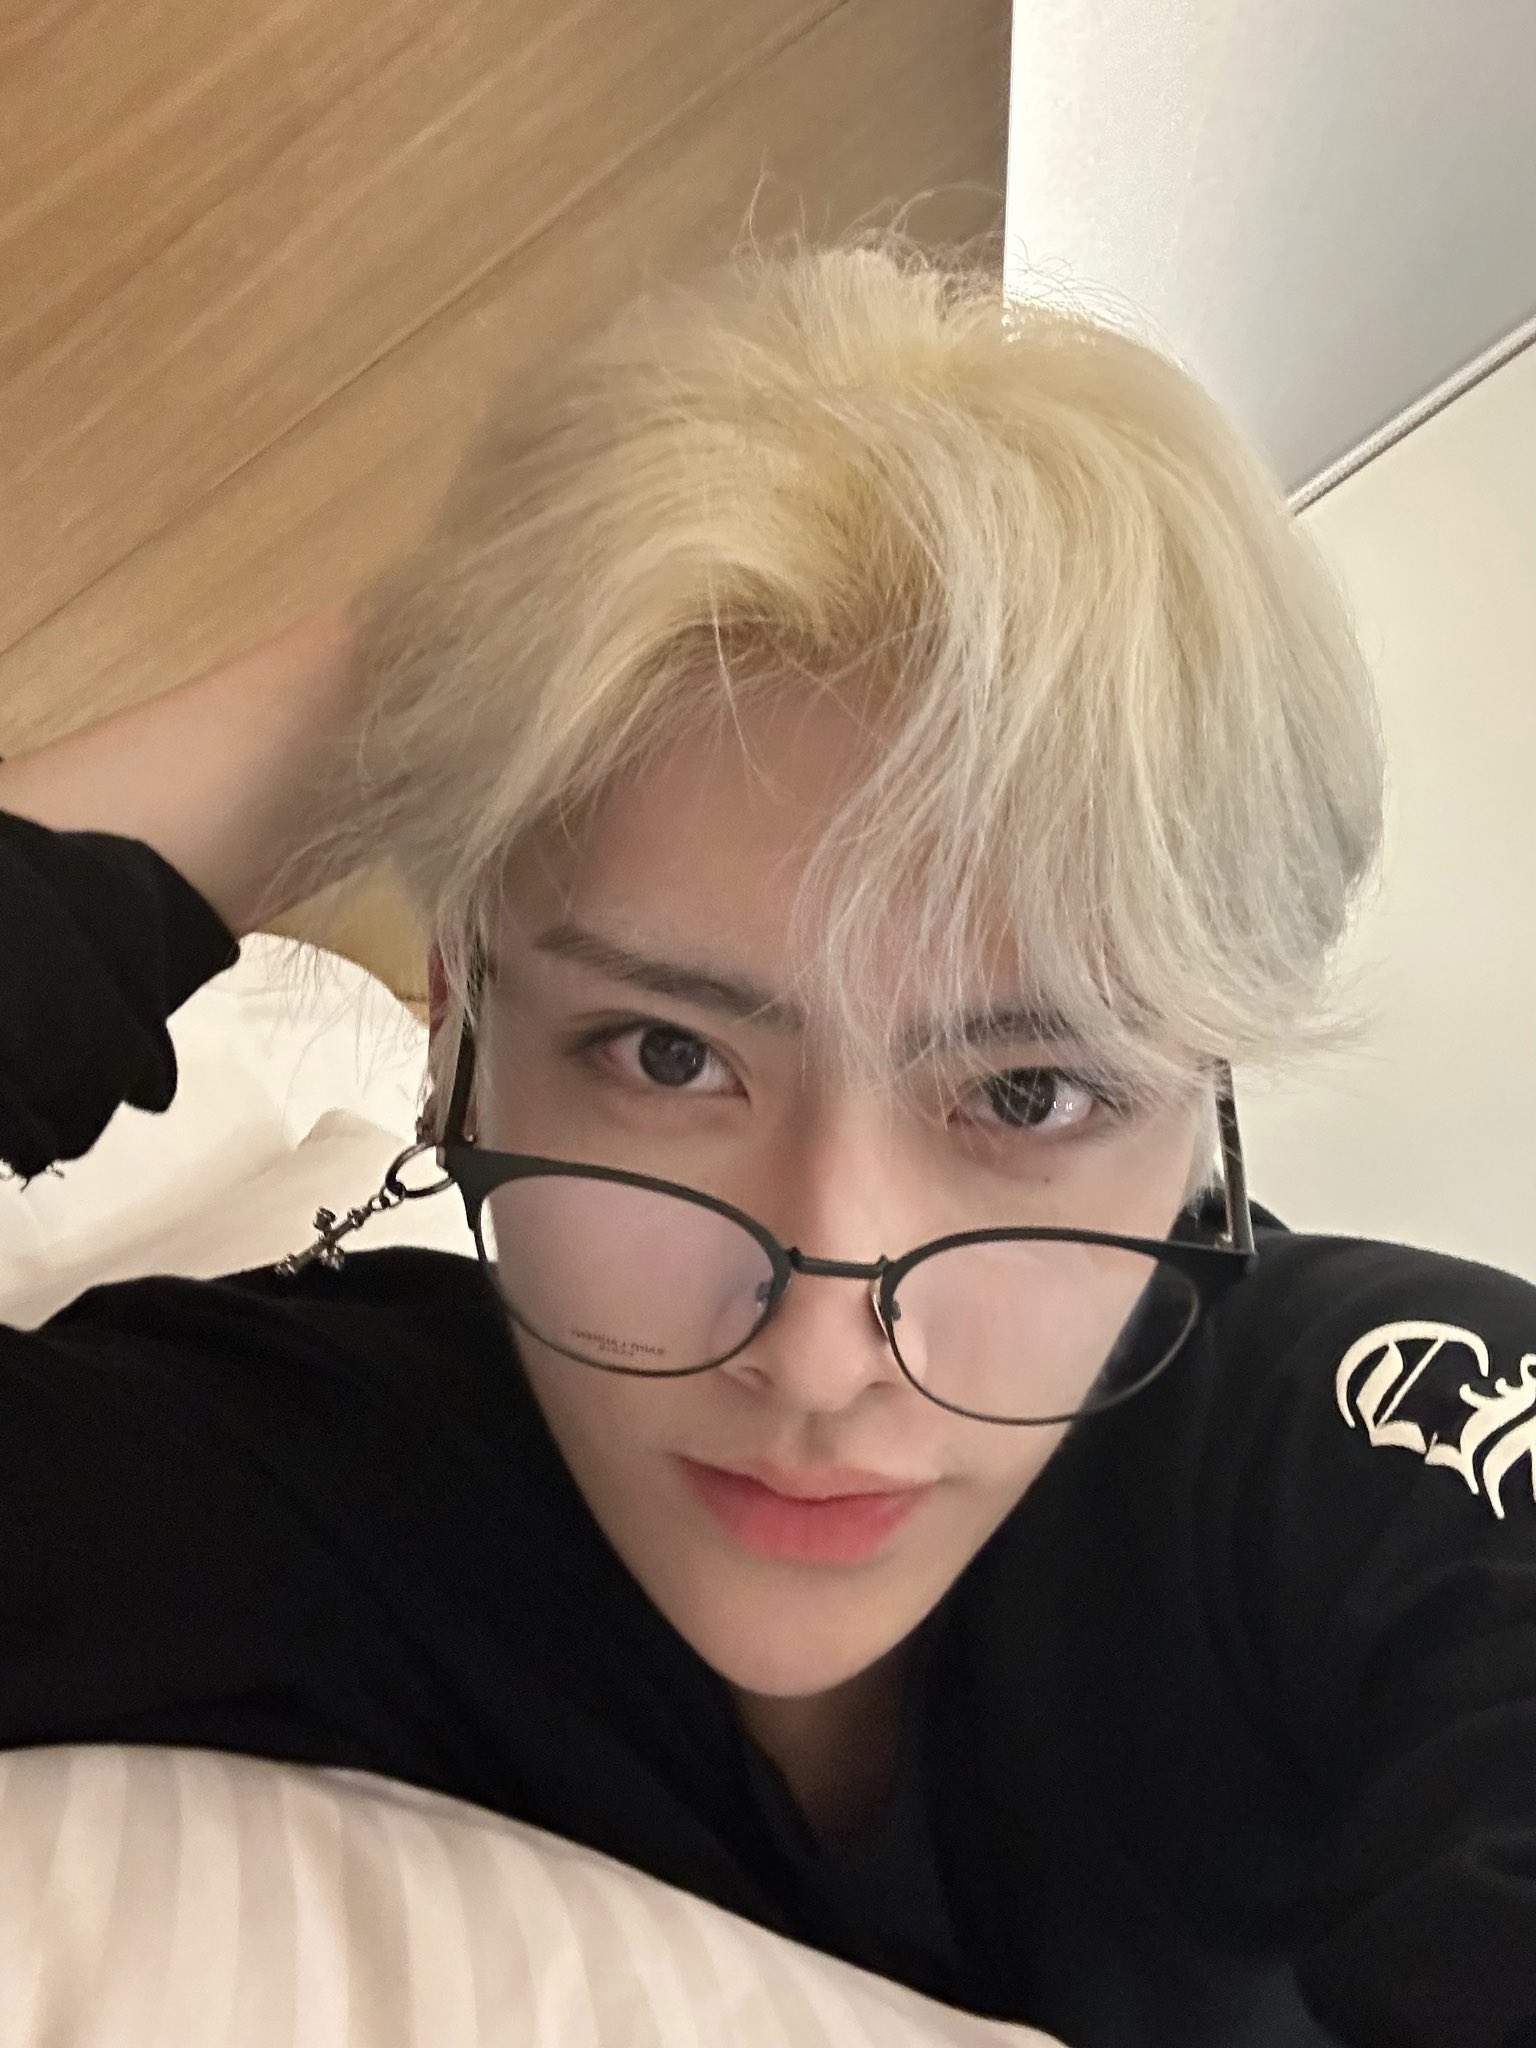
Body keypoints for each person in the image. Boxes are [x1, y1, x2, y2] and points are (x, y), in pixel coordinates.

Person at [2, 227, 1534, 2048]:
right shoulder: (319, 1480)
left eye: (1029, 1095)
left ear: (1201, 1115)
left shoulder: (1378, 1443)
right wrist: (435, 657)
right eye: (667, 1057)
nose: (818, 1353)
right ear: (461, 1033)